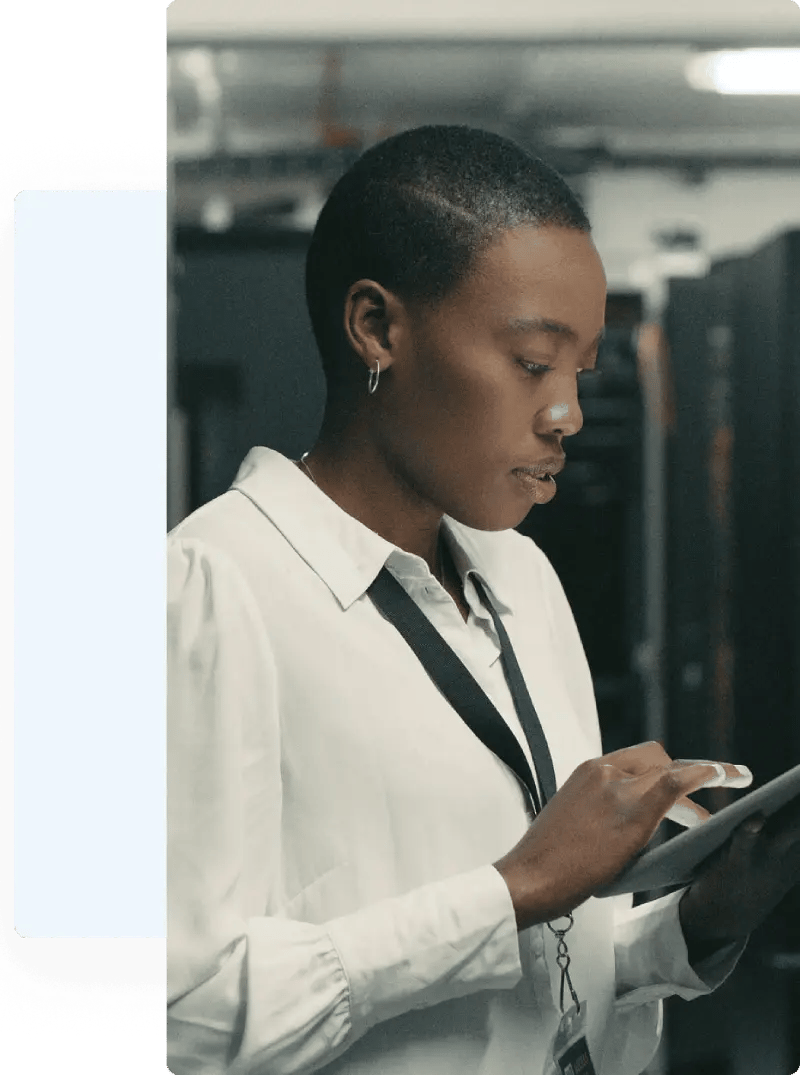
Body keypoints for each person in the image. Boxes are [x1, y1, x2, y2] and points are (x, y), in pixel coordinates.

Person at [166, 126, 800, 1075]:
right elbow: (176, 1017)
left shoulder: (519, 576)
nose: (567, 414)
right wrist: (511, 891)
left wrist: (694, 924)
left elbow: (544, 978)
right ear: (378, 328)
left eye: (579, 371)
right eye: (533, 363)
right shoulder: (214, 587)